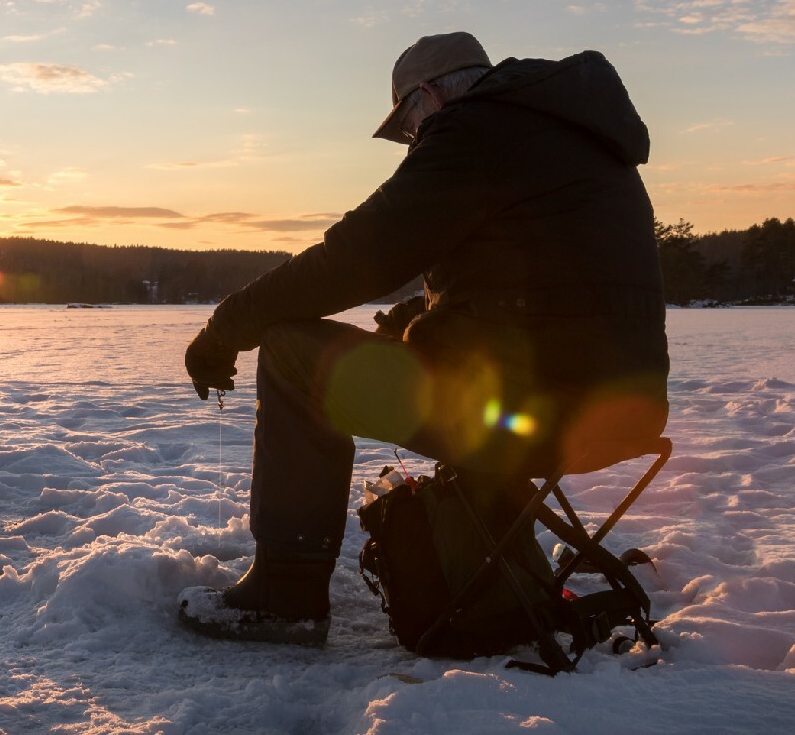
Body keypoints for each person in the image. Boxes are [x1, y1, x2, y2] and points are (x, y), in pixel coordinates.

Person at [177, 32, 670, 645]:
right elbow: (545, 287)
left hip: (536, 410)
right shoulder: (570, 136)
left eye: (409, 126)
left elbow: (354, 259)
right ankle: (489, 569)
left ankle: (286, 594)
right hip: (620, 408)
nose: (412, 142)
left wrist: (227, 328)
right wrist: (420, 320)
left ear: (429, 95)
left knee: (291, 352)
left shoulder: (474, 132)